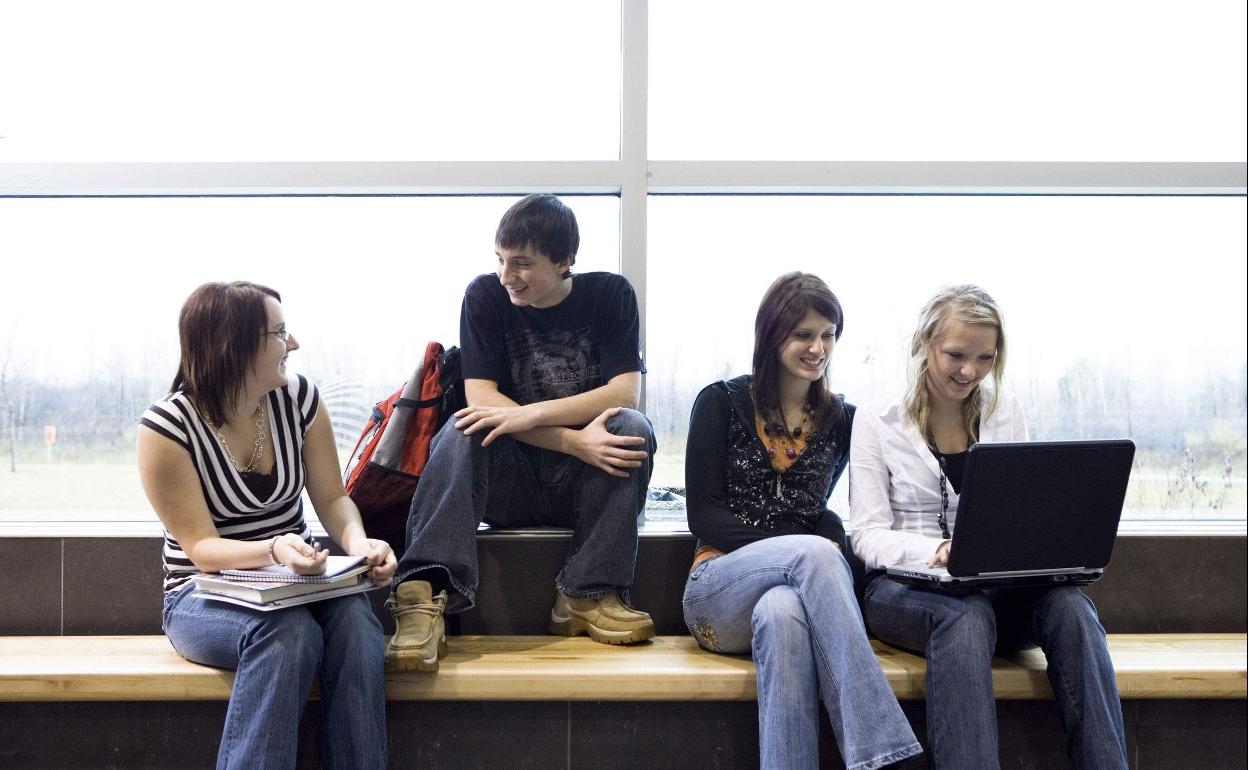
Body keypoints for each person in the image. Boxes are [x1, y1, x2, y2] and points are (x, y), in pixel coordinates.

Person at [848, 284, 1128, 770]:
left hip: (997, 590)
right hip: (901, 590)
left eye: (984, 358)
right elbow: (866, 534)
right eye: (956, 354)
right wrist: (936, 549)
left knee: (1073, 610)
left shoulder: (1004, 412)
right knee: (965, 616)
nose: (968, 371)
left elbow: (1018, 513)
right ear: (924, 344)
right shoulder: (877, 420)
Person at [386, 194, 657, 672]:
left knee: (632, 428)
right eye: (500, 260)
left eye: (522, 264)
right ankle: (423, 596)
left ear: (565, 260)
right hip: (512, 481)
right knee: (463, 427)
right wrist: (571, 440)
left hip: (584, 482)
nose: (507, 276)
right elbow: (483, 401)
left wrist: (528, 415)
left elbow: (624, 394)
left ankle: (586, 593)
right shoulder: (485, 296)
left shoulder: (611, 295)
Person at [138, 281, 395, 770]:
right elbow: (201, 549)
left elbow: (333, 498)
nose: (293, 344)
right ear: (231, 347)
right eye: (279, 333)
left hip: (296, 585)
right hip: (200, 596)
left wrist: (360, 547)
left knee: (358, 623)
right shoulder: (167, 428)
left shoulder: (299, 400)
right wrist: (275, 548)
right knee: (287, 635)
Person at [682, 272, 922, 770]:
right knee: (812, 553)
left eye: (828, 335)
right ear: (773, 336)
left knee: (782, 614)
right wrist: (805, 544)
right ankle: (882, 751)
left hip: (794, 595)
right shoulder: (720, 403)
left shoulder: (843, 419)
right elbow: (702, 515)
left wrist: (826, 535)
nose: (818, 348)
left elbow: (858, 501)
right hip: (716, 589)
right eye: (804, 335)